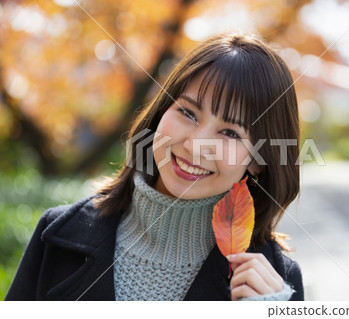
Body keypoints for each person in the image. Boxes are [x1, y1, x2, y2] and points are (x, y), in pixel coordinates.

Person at [5, 32, 304, 301]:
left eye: (229, 133)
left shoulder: (275, 285)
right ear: (161, 112)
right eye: (187, 112)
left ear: (257, 161)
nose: (194, 143)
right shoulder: (57, 235)